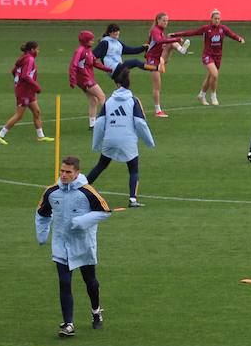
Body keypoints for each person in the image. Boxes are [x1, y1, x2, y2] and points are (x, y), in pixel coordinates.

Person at [35, 155, 112, 337]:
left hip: (83, 244)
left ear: (77, 173)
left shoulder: (87, 191)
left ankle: (96, 311)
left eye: (68, 172)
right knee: (64, 282)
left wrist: (82, 221)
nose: (64, 175)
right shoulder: (51, 192)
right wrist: (42, 235)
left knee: (90, 282)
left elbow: (105, 211)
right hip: (61, 244)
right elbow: (42, 213)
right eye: (62, 171)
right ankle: (68, 324)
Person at [87, 66, 155, 208]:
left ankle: (83, 188)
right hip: (127, 140)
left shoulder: (109, 102)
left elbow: (99, 123)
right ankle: (132, 199)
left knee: (101, 165)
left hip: (110, 139)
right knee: (133, 169)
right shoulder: (133, 101)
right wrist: (149, 141)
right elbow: (140, 123)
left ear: (117, 85)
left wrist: (96, 143)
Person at [172, 9, 245, 106]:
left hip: (218, 56)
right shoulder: (206, 29)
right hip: (207, 55)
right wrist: (176, 34)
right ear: (211, 19)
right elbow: (192, 32)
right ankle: (213, 96)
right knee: (214, 74)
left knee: (211, 76)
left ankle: (201, 95)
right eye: (215, 18)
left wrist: (239, 39)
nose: (217, 20)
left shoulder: (223, 28)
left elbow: (232, 34)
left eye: (219, 19)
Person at [0, 41, 56, 145]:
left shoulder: (23, 57)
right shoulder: (30, 59)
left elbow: (13, 71)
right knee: (19, 115)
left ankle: (41, 136)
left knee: (37, 112)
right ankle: (0, 135)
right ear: (32, 49)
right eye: (37, 49)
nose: (38, 51)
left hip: (27, 90)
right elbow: (25, 76)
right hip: (24, 91)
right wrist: (36, 86)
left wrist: (17, 83)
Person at [143, 12, 189, 118]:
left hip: (159, 58)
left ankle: (181, 50)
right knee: (157, 86)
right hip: (152, 61)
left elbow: (161, 42)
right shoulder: (155, 30)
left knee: (169, 41)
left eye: (167, 20)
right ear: (158, 20)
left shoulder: (160, 31)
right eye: (164, 20)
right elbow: (159, 41)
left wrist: (172, 39)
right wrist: (176, 39)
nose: (166, 22)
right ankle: (158, 110)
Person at [68, 30, 110, 129]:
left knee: (93, 100)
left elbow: (95, 63)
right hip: (85, 79)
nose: (93, 41)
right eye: (91, 40)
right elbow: (73, 65)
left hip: (86, 78)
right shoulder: (80, 51)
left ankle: (92, 124)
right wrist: (72, 79)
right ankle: (107, 121)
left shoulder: (88, 50)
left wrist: (109, 69)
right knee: (102, 96)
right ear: (86, 40)